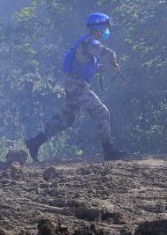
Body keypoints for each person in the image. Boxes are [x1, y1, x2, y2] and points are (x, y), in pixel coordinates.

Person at [25, 12, 126, 162]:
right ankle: (108, 149)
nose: (106, 31)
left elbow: (89, 67)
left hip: (73, 83)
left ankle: (36, 141)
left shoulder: (85, 42)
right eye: (105, 28)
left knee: (67, 118)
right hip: (78, 85)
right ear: (98, 28)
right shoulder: (91, 42)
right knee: (102, 112)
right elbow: (108, 53)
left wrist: (107, 68)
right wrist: (114, 65)